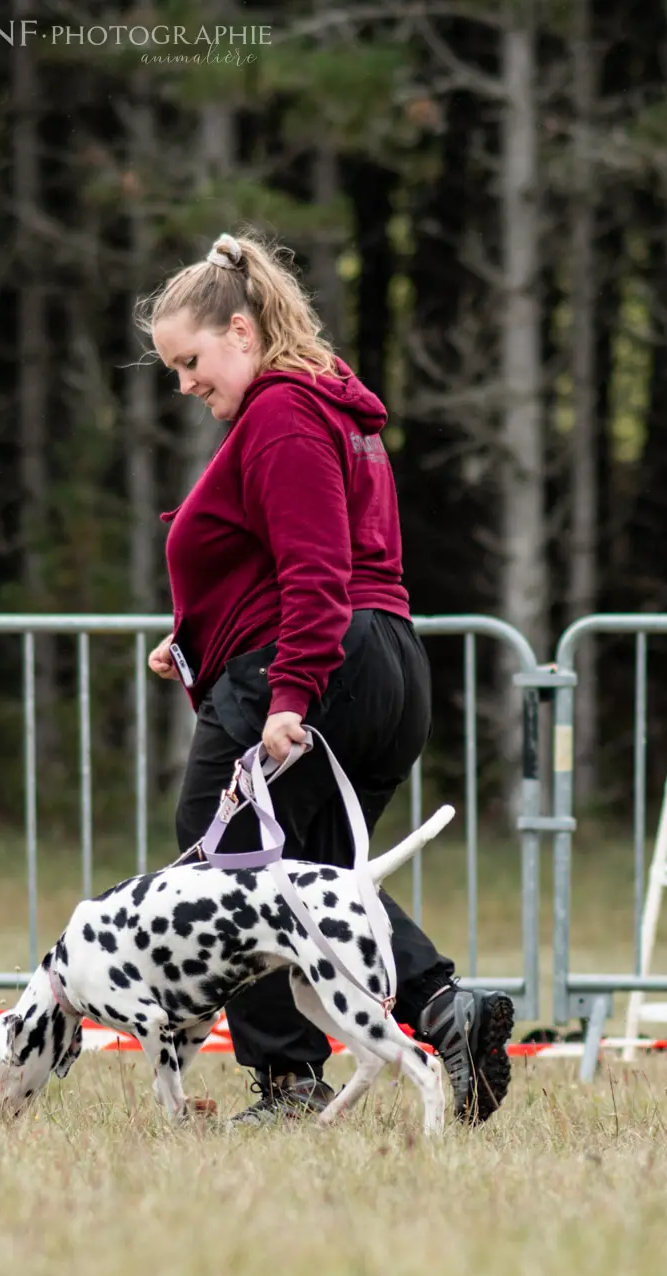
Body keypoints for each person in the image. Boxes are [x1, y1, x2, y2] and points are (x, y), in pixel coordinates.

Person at [140, 229, 513, 1126]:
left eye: (191, 361)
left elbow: (316, 569)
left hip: (317, 659)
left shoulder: (281, 412)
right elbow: (297, 561)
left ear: (240, 329)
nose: (185, 384)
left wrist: (291, 694)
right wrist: (192, 638)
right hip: (384, 658)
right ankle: (445, 1012)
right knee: (305, 876)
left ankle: (290, 1082)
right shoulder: (328, 406)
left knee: (224, 862)